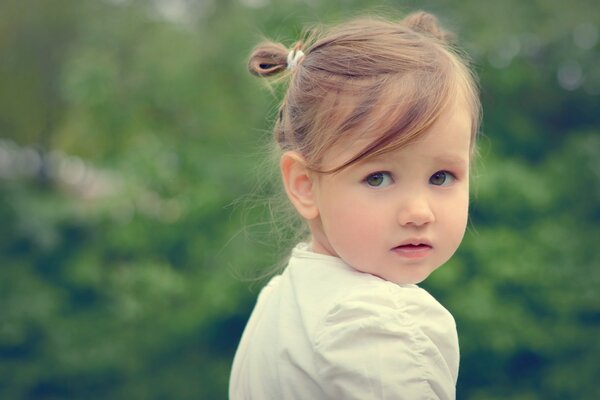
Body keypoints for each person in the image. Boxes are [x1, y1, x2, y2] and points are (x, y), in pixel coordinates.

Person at [230, 10, 481, 400]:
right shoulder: (380, 325)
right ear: (305, 185)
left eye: (441, 177)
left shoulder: (279, 303)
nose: (419, 212)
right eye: (378, 177)